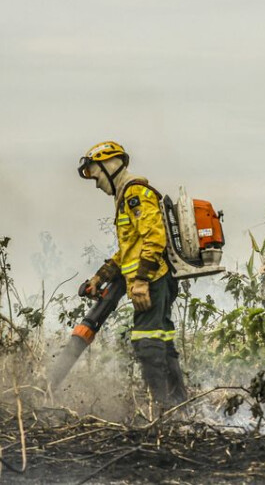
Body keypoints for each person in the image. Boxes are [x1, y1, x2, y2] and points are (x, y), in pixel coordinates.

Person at [77, 141, 187, 408]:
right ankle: (179, 408)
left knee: (146, 342)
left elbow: (154, 237)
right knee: (162, 342)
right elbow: (129, 251)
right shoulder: (126, 196)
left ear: (110, 165)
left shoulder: (134, 194)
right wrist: (100, 276)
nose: (97, 184)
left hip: (152, 280)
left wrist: (140, 281)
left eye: (97, 175)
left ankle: (164, 413)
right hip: (154, 279)